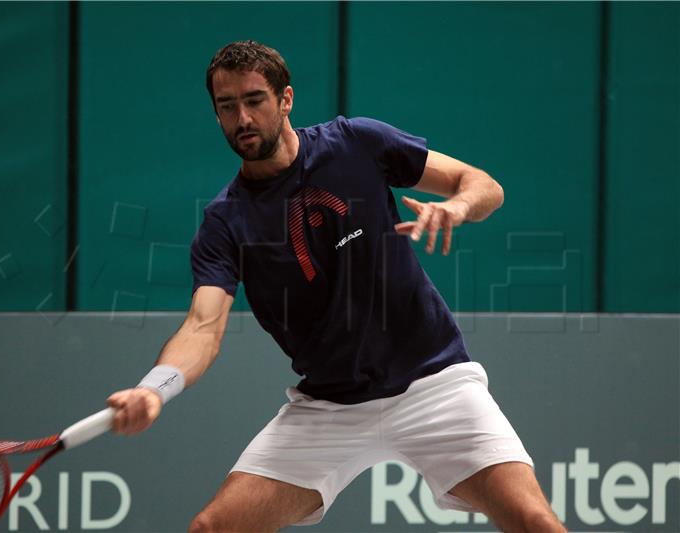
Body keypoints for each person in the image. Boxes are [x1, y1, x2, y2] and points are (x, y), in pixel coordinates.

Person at [106, 40, 566, 533]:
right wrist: (155, 389)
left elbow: (482, 185)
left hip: (434, 384)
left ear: (285, 100)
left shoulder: (356, 143)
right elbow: (202, 328)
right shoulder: (225, 223)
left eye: (254, 100)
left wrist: (456, 207)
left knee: (534, 520)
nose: (242, 118)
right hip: (328, 407)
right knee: (212, 528)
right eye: (227, 106)